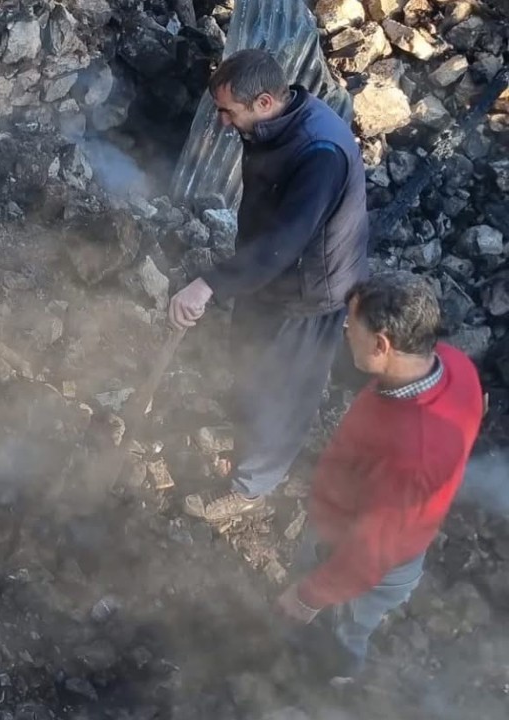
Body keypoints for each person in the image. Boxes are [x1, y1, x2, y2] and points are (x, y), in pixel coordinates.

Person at [173, 49, 369, 522]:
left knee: (280, 395)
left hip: (309, 292)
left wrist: (210, 283)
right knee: (248, 361)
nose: (221, 122)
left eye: (228, 112)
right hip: (267, 275)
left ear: (263, 101)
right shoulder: (272, 123)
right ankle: (241, 433)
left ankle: (251, 488)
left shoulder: (320, 153)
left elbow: (285, 243)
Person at [274, 272, 484, 679]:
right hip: (364, 528)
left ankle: (336, 679)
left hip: (374, 560)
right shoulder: (455, 367)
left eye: (352, 325)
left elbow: (370, 555)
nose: (346, 330)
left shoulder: (411, 457)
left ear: (382, 344)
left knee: (350, 626)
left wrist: (308, 596)